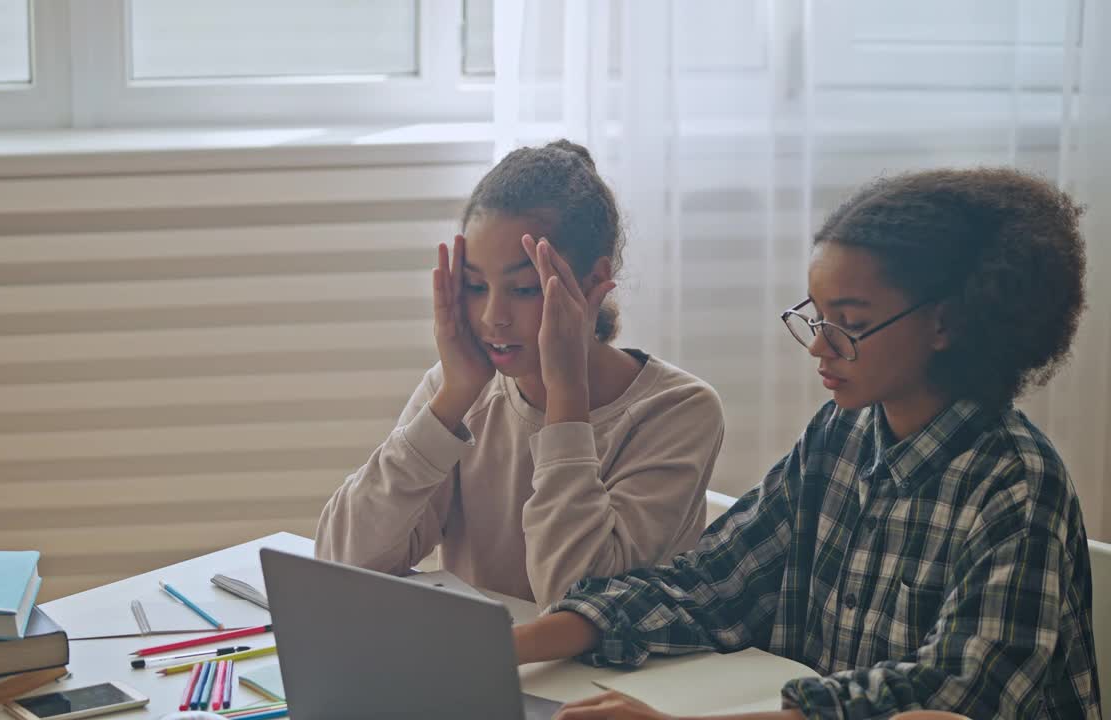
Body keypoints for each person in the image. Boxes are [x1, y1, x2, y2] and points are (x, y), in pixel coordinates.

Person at [513, 167, 1101, 719]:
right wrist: (511, 645)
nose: (820, 346)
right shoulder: (837, 436)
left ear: (944, 324)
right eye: (816, 317)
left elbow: (954, 689)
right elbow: (712, 584)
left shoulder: (1017, 485)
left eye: (849, 321)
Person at [315, 140, 725, 605]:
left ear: (592, 282)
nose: (493, 316)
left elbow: (577, 601)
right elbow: (341, 561)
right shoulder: (458, 393)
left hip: (609, 677)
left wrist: (566, 398)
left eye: (524, 289)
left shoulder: (678, 411)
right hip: (484, 666)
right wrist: (452, 399)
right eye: (474, 285)